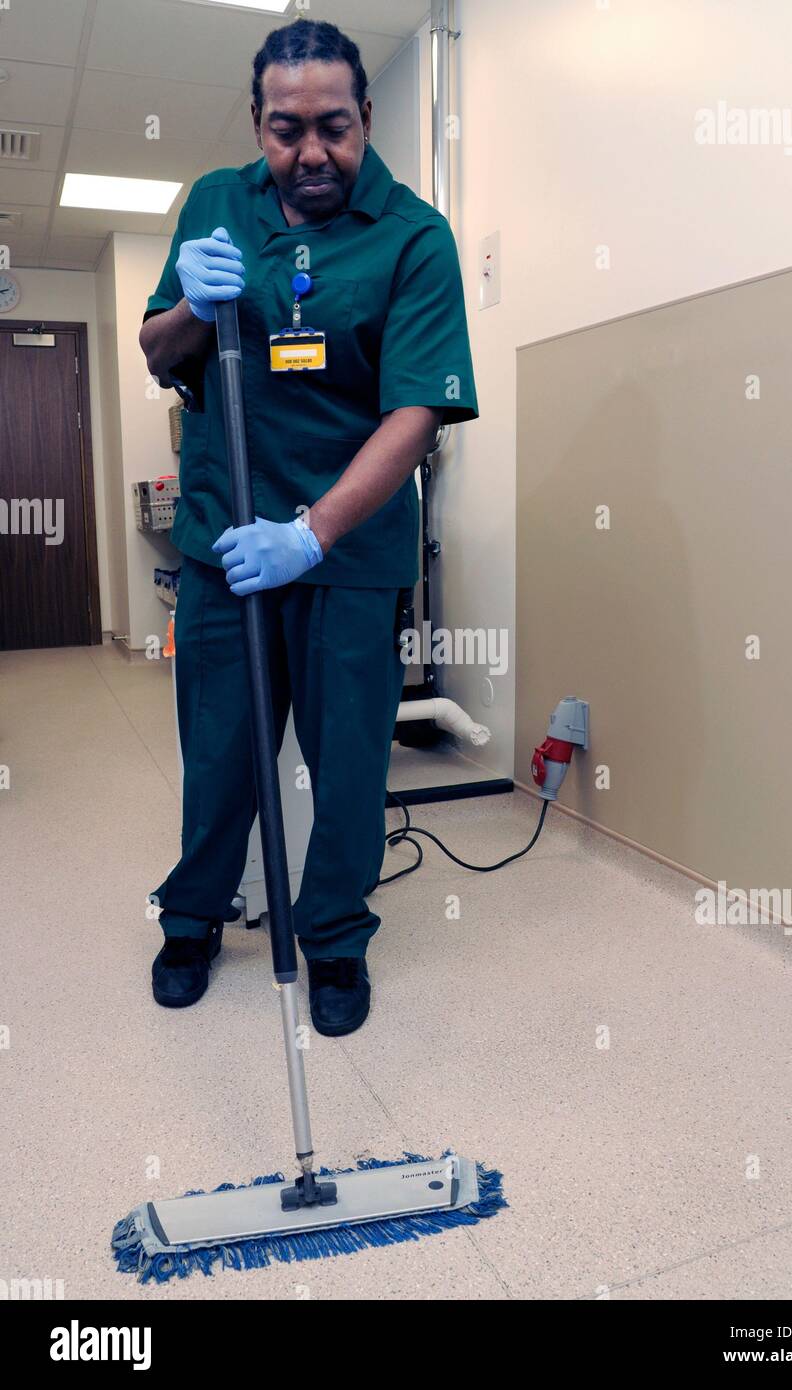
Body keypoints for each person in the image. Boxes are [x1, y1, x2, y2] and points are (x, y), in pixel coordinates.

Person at [139, 18, 478, 1034]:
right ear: (257, 124)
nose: (311, 152)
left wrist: (313, 532)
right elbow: (160, 347)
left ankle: (333, 940)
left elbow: (414, 412)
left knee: (346, 764)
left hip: (348, 553)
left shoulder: (414, 236)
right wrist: (194, 308)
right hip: (224, 543)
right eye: (285, 131)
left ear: (366, 119)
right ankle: (194, 917)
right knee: (220, 750)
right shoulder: (214, 202)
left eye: (333, 126)